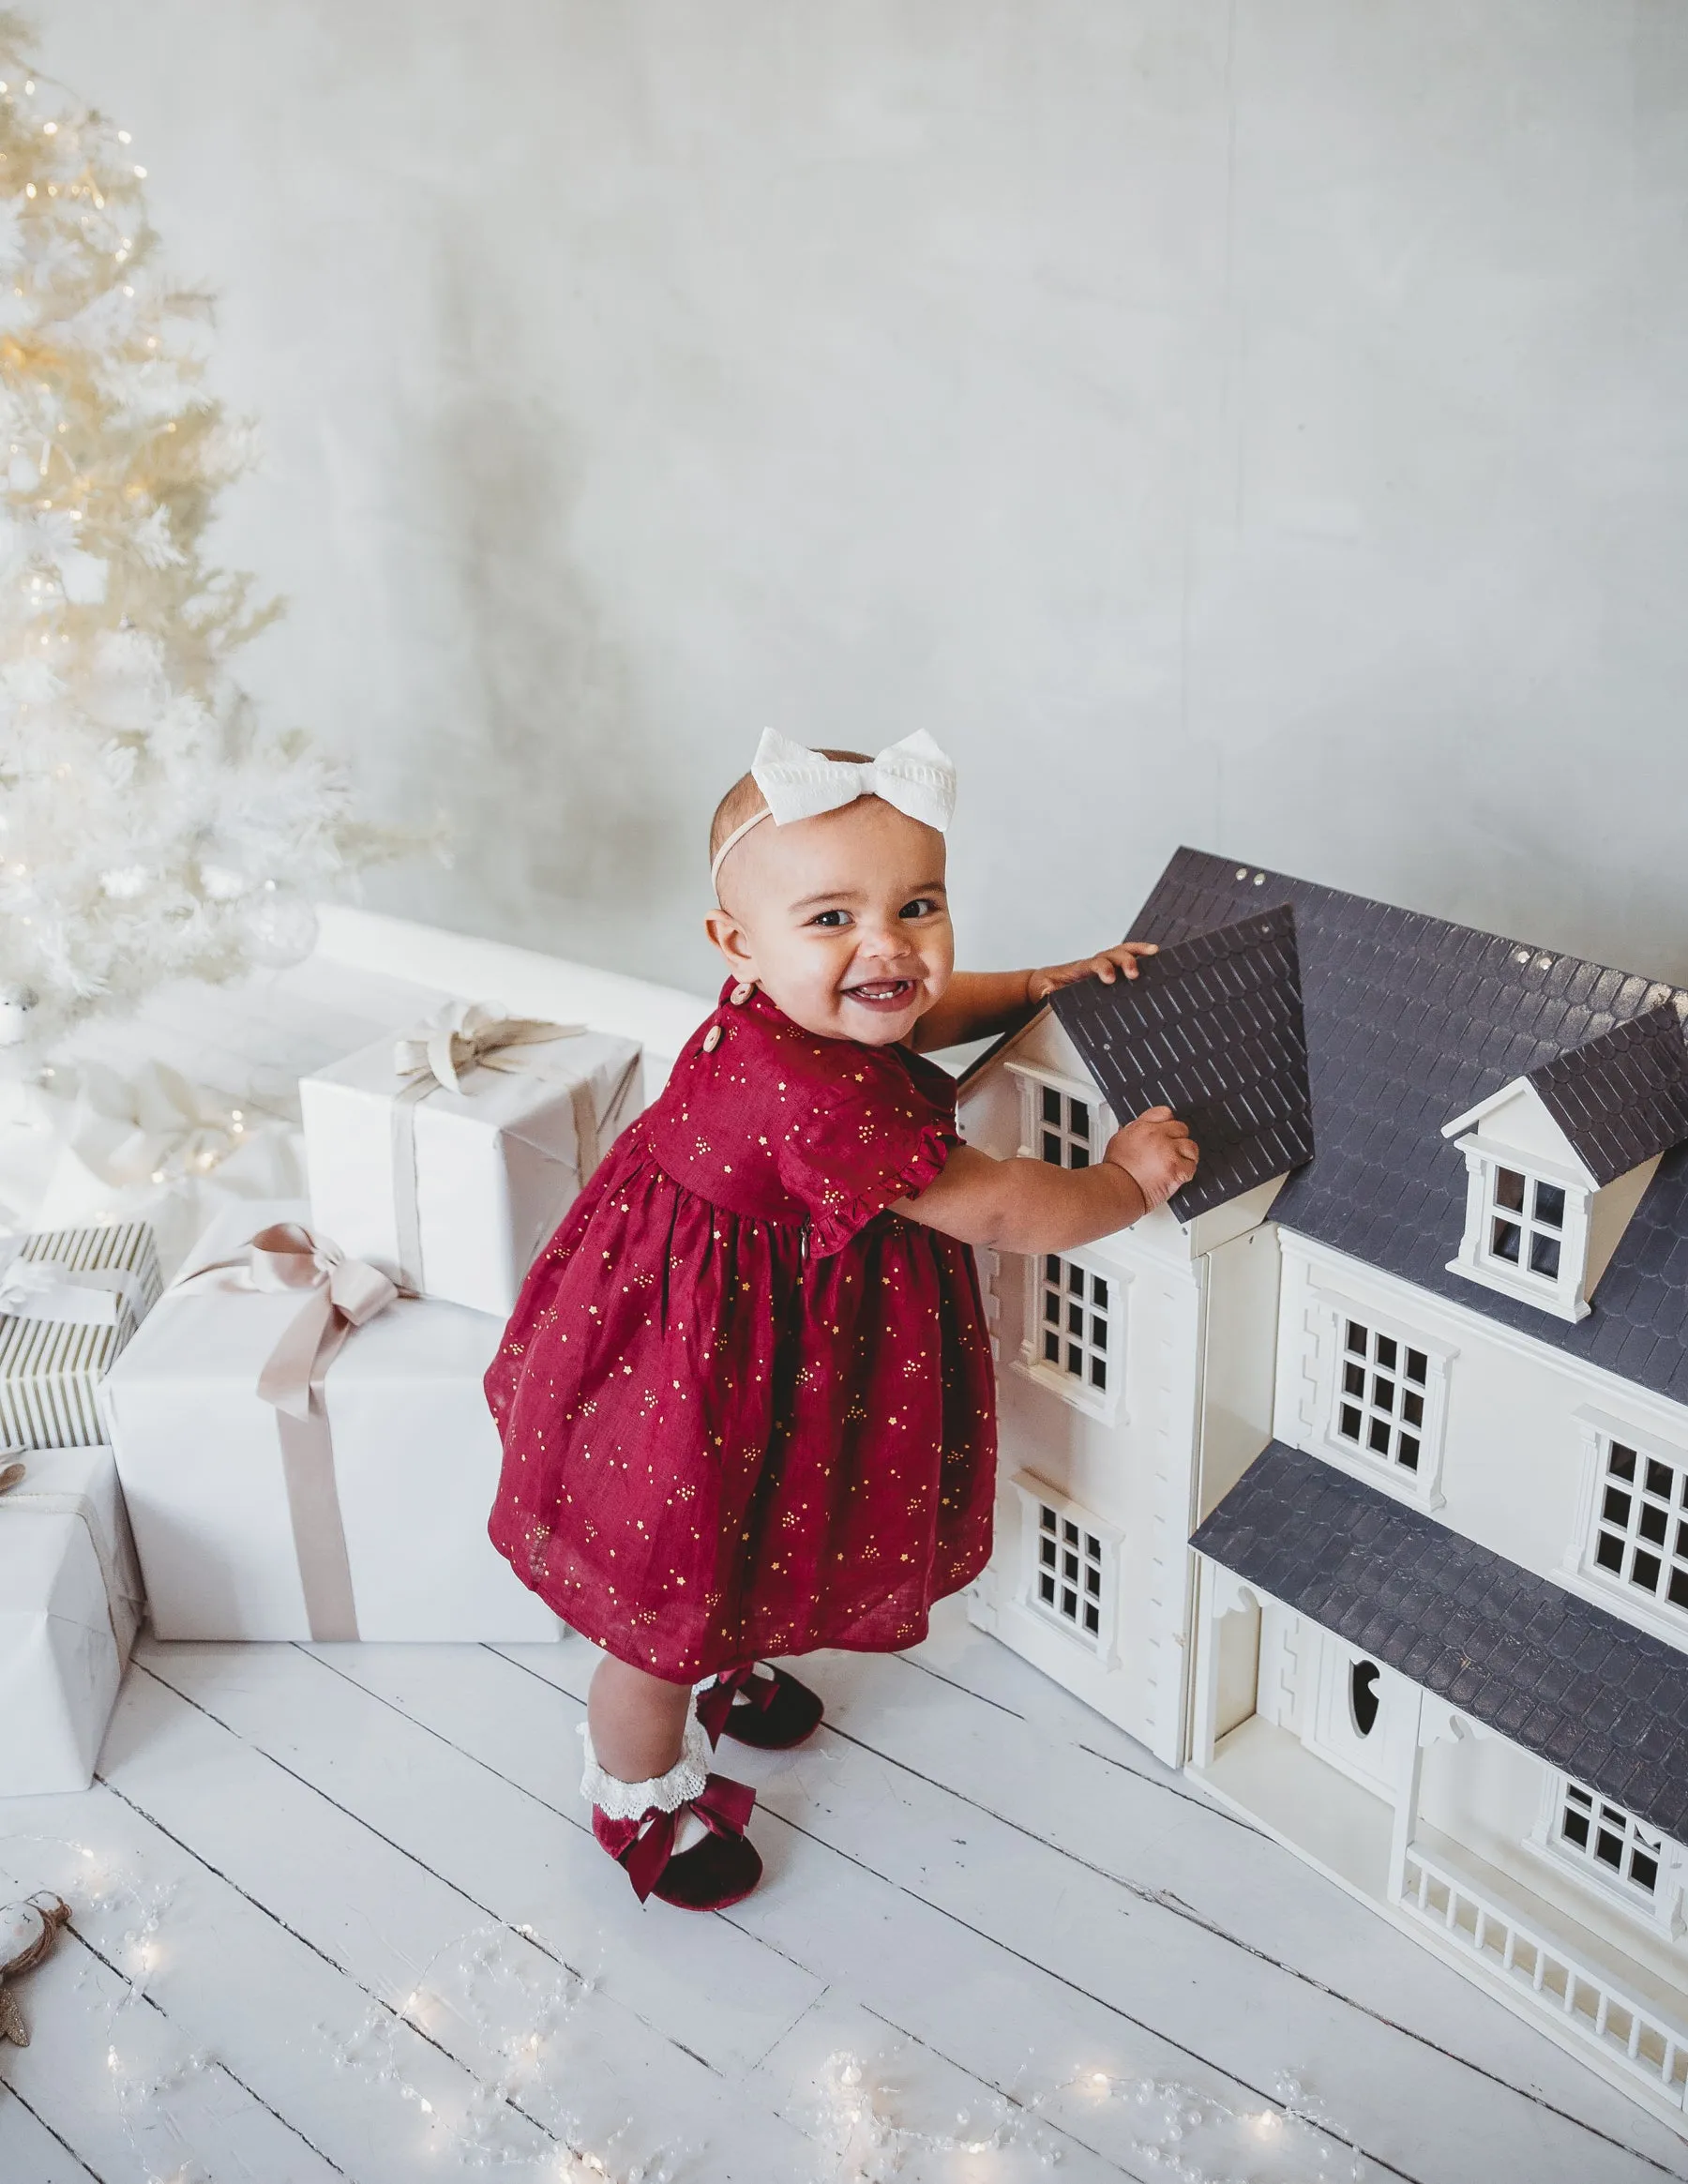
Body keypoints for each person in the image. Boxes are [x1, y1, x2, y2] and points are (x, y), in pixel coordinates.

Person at [486, 730, 1198, 1910]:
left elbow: (912, 1007)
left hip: (743, 1330)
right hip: (706, 1360)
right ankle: (636, 1791)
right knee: (667, 1595)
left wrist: (1033, 988)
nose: (888, 948)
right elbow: (1007, 1209)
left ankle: (732, 1649)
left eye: (918, 905)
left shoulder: (806, 1009)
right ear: (738, 943)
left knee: (754, 1507)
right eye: (831, 919)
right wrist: (1123, 1184)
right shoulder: (816, 1096)